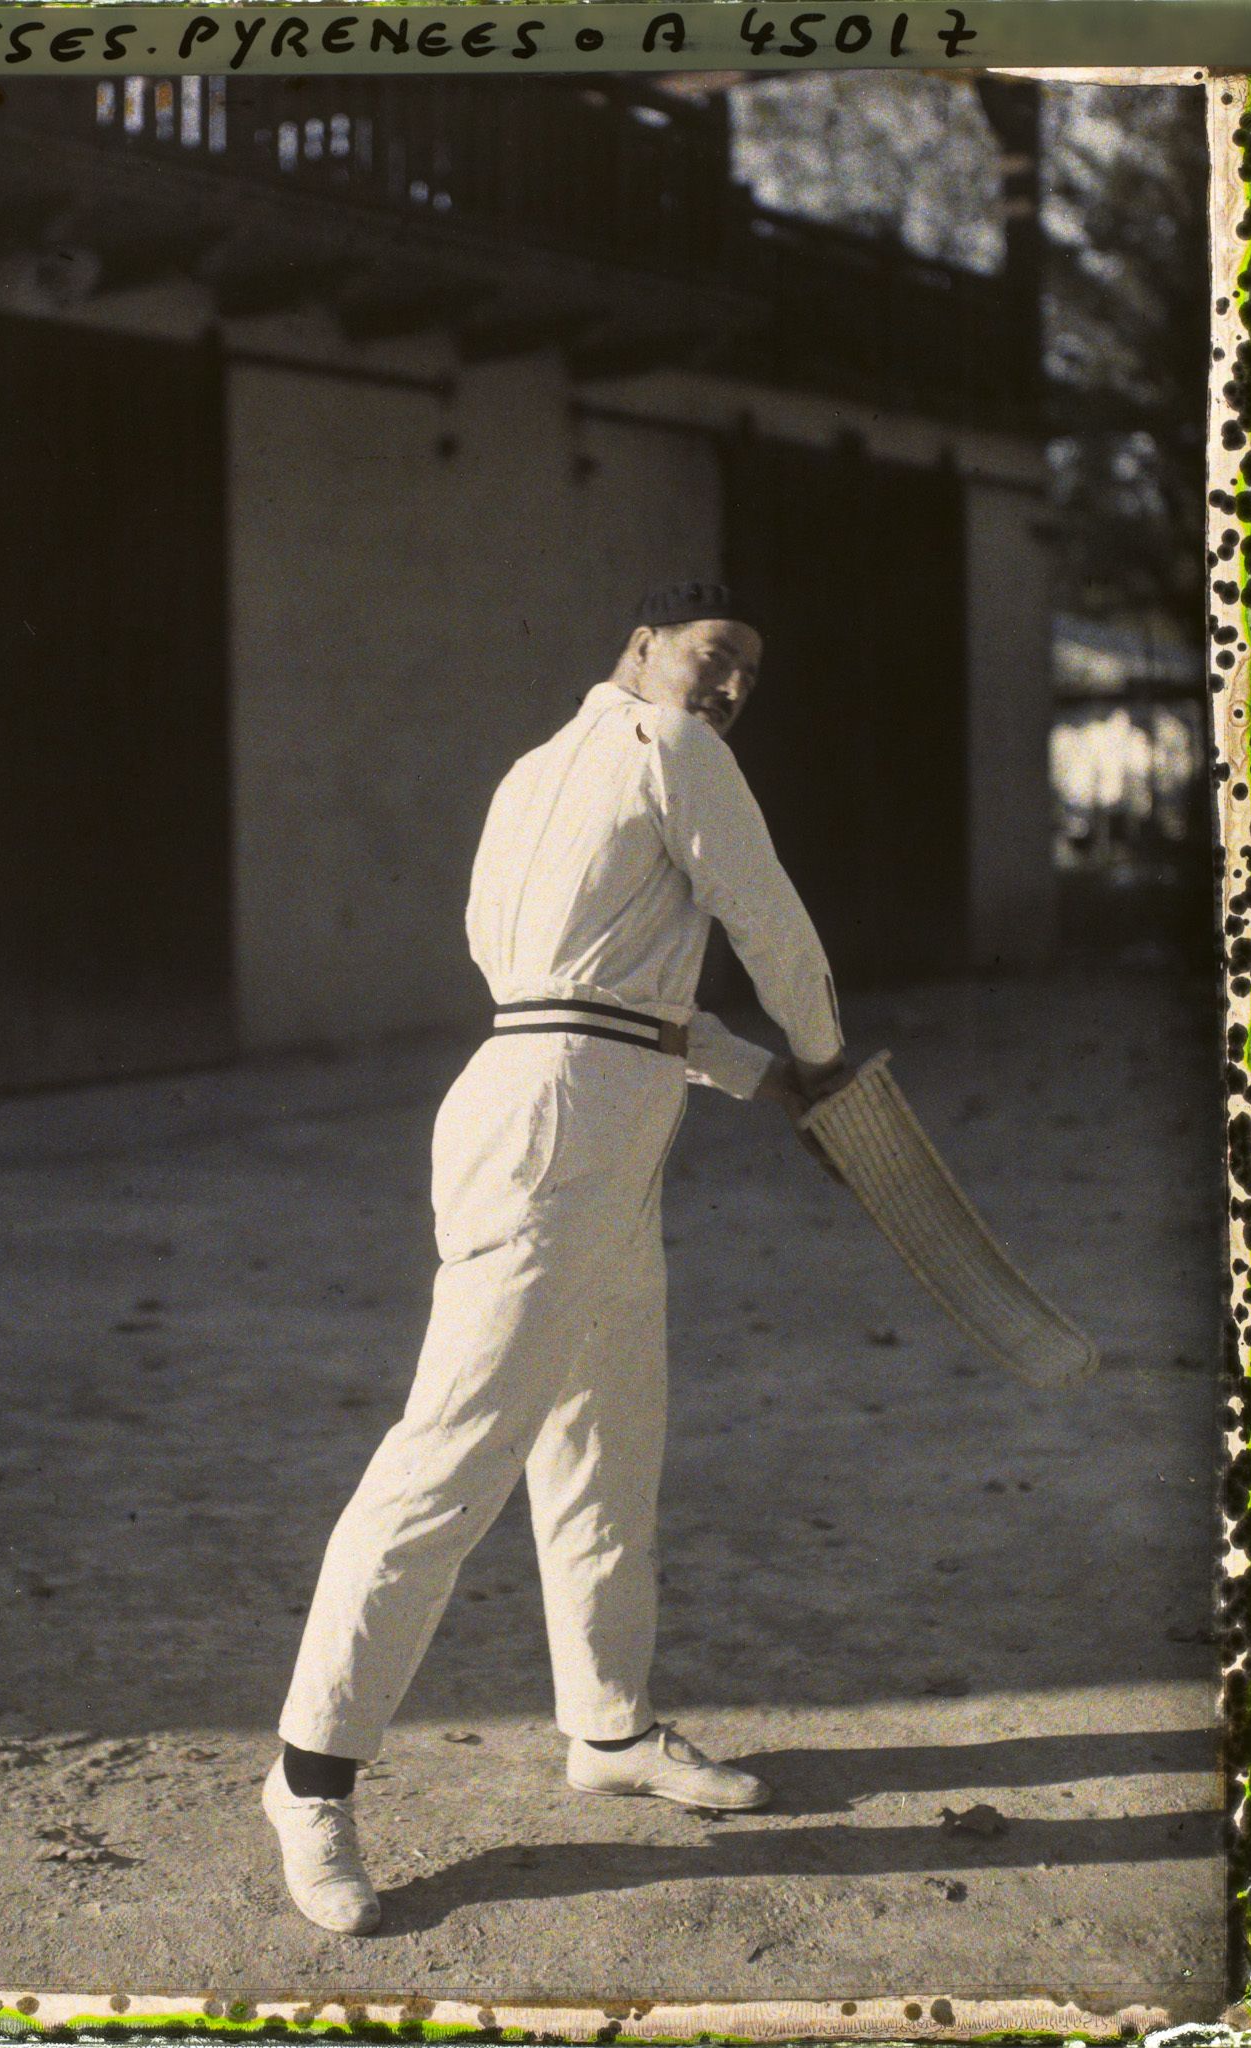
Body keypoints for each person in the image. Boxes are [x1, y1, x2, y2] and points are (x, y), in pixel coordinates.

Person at [264, 580, 848, 1935]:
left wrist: (774, 1085)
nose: (730, 687)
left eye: (751, 673)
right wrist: (828, 1065)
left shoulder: (534, 775)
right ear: (641, 650)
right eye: (714, 655)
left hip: (565, 1099)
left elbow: (602, 997)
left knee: (604, 1435)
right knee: (452, 1453)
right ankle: (308, 1778)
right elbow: (770, 927)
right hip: (555, 1130)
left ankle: (609, 1728)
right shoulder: (675, 754)